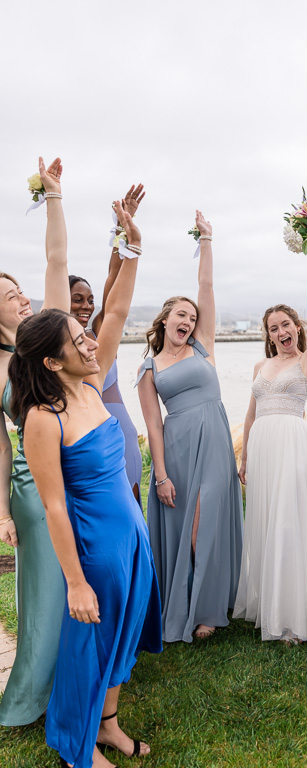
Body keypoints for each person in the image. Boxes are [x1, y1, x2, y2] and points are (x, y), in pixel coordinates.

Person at [11, 200, 162, 768]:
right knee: (89, 650)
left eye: (84, 332)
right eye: (77, 338)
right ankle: (76, 746)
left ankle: (108, 726)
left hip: (132, 538)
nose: (90, 340)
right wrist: (75, 583)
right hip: (95, 550)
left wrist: (133, 247)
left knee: (121, 642)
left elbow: (117, 307)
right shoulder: (42, 420)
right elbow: (53, 507)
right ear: (51, 362)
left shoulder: (93, 384)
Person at [137, 211, 243, 642]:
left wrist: (207, 240)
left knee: (207, 523)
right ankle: (194, 607)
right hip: (177, 450)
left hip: (215, 442)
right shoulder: (149, 367)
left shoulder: (204, 346)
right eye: (180, 314)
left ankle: (211, 607)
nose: (188, 320)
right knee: (187, 530)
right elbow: (154, 426)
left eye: (192, 317)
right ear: (164, 320)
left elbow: (207, 288)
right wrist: (160, 475)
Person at [232, 249, 307, 643]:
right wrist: (245, 456)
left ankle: (298, 616)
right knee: (265, 519)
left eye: (286, 325)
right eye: (273, 328)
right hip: (262, 448)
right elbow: (250, 413)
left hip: (293, 446)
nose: (281, 332)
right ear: (267, 334)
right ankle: (270, 604)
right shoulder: (260, 368)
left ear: (297, 327)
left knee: (290, 521)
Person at [0, 157, 69, 726]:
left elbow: (57, 262)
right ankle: (33, 699)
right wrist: (1, 508)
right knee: (45, 594)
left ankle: (83, 683)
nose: (22, 297)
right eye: (8, 295)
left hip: (76, 470)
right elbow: (0, 446)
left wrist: (54, 198)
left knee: (84, 578)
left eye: (21, 290)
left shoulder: (42, 333)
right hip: (30, 485)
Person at [68, 184, 145, 504]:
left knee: (133, 515)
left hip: (122, 432)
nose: (86, 306)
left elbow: (114, 277)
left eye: (90, 300)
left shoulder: (100, 334)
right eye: (77, 300)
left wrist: (120, 227)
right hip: (88, 441)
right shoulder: (57, 342)